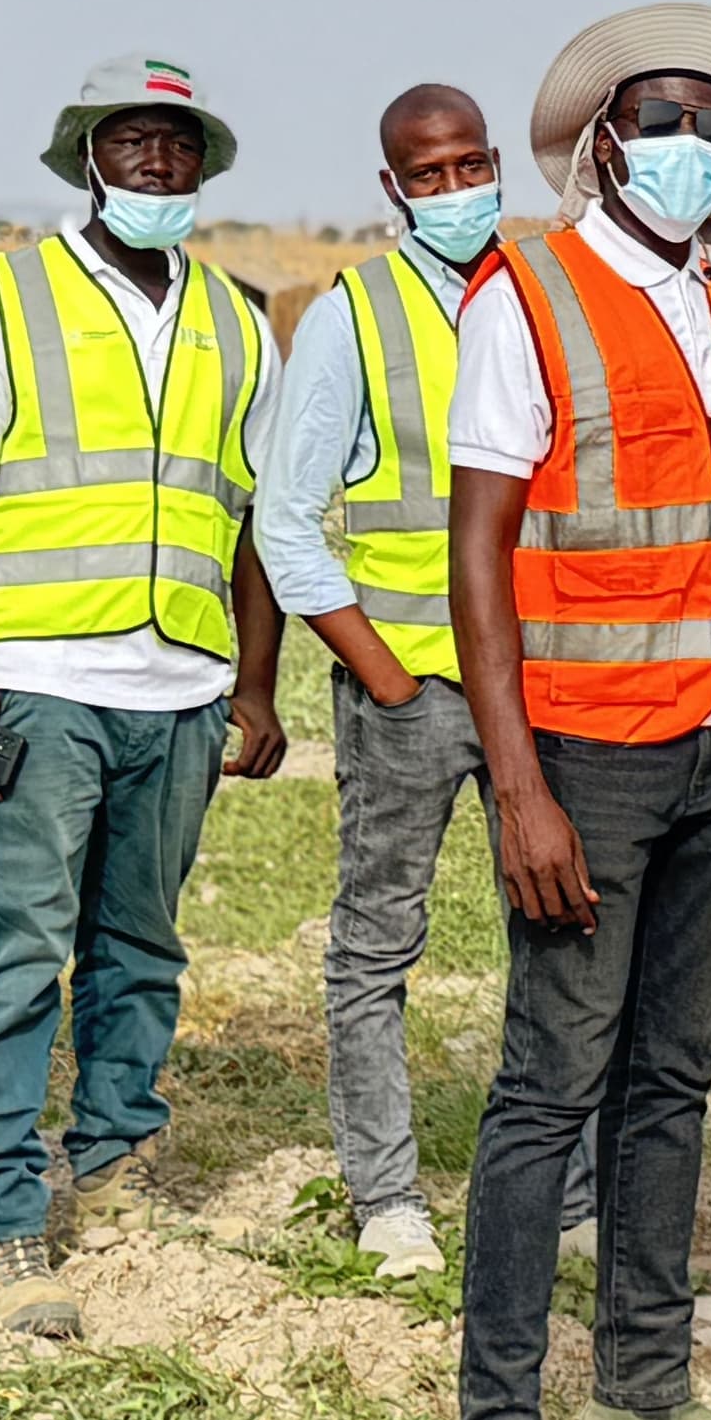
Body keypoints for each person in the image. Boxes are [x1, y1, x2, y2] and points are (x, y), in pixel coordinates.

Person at [438, 4, 711, 1420]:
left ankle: (643, 1394)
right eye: (658, 121)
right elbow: (480, 554)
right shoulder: (528, 292)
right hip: (586, 762)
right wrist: (519, 787)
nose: (687, 147)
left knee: (673, 1081)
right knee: (550, 1088)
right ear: (602, 145)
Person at [0, 54, 288, 1341]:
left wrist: (254, 682)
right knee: (17, 952)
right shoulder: (5, 303)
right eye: (133, 143)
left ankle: (118, 1159)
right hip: (36, 684)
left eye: (180, 147)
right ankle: (2, 1216)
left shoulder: (239, 321)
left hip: (179, 685)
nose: (159, 166)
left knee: (140, 945)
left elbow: (255, 518)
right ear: (87, 160)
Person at [257, 80, 589, 1284]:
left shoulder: (551, 292)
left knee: (563, 930)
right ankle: (387, 1197)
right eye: (427, 175)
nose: (453, 190)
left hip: (545, 683)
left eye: (469, 168)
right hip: (413, 693)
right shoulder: (353, 315)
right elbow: (287, 517)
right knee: (376, 944)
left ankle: (568, 1196)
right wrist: (385, 675)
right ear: (392, 188)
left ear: (496, 165)